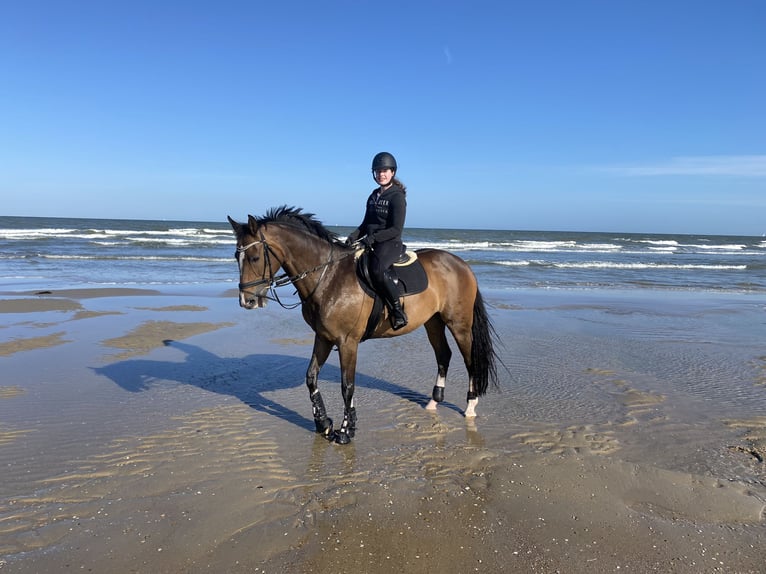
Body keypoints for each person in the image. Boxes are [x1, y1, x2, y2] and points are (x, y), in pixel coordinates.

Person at [346, 151, 408, 330]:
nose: (382, 174)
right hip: (372, 242)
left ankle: (398, 311)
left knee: (377, 269)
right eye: (379, 171)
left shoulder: (397, 197)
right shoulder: (373, 196)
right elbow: (366, 223)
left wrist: (370, 239)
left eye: (385, 170)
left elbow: (396, 229)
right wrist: (353, 236)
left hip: (390, 243)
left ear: (393, 172)